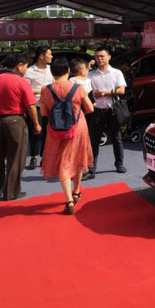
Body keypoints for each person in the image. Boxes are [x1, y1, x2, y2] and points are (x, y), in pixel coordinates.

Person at [40, 57, 94, 215]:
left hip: (56, 129)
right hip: (78, 128)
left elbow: (44, 113)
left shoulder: (46, 90)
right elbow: (90, 109)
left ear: (52, 73)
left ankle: (69, 200)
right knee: (78, 158)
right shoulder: (78, 88)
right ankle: (76, 191)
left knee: (63, 163)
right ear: (68, 71)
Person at [0, 53, 41, 200]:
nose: (26, 69)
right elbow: (31, 106)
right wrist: (36, 124)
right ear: (19, 66)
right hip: (15, 120)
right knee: (16, 156)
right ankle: (11, 191)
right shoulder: (21, 81)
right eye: (26, 66)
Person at [84, 46, 126, 180]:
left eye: (102, 56)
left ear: (109, 57)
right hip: (97, 111)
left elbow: (121, 91)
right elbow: (82, 85)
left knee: (116, 138)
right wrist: (87, 68)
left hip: (113, 110)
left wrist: (104, 93)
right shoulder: (91, 74)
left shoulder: (116, 73)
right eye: (97, 56)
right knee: (94, 141)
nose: (99, 59)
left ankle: (119, 164)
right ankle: (91, 169)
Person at [24, 46, 53, 170]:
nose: (51, 56)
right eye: (49, 54)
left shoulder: (51, 69)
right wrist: (41, 90)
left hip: (50, 106)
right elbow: (25, 90)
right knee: (36, 132)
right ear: (41, 56)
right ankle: (34, 156)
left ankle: (44, 157)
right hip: (36, 106)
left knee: (48, 132)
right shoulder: (29, 71)